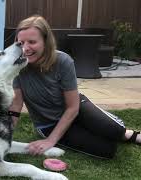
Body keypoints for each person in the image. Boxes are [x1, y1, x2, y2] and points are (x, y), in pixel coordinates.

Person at [9, 15, 140, 159]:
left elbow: (72, 107)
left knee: (116, 130)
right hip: (48, 124)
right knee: (107, 150)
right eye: (20, 43)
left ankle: (130, 134)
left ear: (45, 41)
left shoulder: (62, 61)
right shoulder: (17, 65)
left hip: (77, 108)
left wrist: (52, 141)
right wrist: (5, 135)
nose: (25, 48)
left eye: (32, 42)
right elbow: (16, 105)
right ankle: (92, 130)